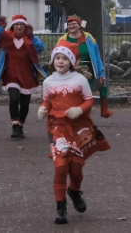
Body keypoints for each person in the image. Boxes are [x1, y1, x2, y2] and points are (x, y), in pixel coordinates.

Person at [37, 40, 111, 224]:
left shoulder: (79, 80)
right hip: (58, 127)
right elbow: (47, 100)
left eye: (64, 58)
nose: (60, 61)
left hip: (79, 127)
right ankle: (60, 207)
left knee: (76, 171)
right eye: (57, 58)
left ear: (71, 61)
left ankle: (75, 191)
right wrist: (43, 108)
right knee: (61, 165)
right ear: (53, 61)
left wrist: (79, 109)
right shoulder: (48, 81)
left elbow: (88, 100)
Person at [0, 14, 47, 138]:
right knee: (14, 98)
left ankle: (21, 125)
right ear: (13, 26)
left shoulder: (30, 38)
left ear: (25, 26)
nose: (19, 27)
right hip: (11, 75)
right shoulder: (7, 37)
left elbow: (40, 48)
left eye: (21, 24)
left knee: (25, 104)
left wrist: (32, 37)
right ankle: (14, 126)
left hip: (27, 75)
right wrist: (0, 28)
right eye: (17, 24)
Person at [59, 15, 111, 118]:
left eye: (74, 24)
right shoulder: (62, 40)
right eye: (69, 24)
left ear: (79, 25)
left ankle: (85, 119)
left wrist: (101, 73)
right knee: (72, 97)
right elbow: (56, 56)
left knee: (86, 98)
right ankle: (73, 119)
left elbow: (96, 57)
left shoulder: (89, 38)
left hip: (87, 73)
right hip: (70, 73)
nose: (71, 26)